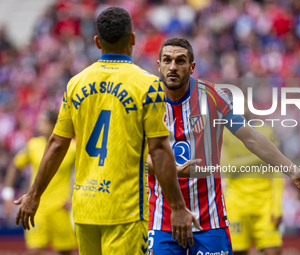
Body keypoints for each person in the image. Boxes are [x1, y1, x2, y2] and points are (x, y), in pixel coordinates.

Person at [14, 7, 200, 255]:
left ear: (97, 41)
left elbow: (57, 143)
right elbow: (158, 148)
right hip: (126, 211)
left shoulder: (76, 83)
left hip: (84, 210)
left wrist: (33, 195)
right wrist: (177, 206)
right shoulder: (148, 85)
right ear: (132, 38)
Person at [147, 37, 300, 255]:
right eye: (167, 60)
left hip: (209, 219)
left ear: (192, 67)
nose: (172, 67)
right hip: (162, 219)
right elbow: (134, 154)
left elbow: (251, 137)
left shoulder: (212, 96)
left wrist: (292, 170)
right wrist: (172, 170)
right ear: (158, 65)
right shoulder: (144, 99)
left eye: (180, 61)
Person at [2, 110, 77, 255]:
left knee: (65, 251)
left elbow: (84, 172)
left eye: (43, 122)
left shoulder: (72, 148)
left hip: (60, 208)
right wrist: (8, 194)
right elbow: (15, 167)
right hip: (36, 208)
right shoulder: (32, 146)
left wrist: (74, 197)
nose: (39, 125)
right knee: (34, 250)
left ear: (54, 125)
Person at [221, 124, 284, 255]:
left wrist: (277, 207)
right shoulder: (224, 133)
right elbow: (226, 166)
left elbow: (277, 171)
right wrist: (262, 156)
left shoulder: (266, 131)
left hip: (265, 205)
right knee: (237, 251)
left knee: (274, 251)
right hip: (236, 205)